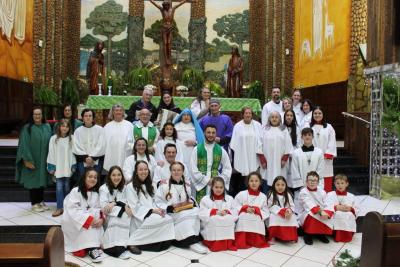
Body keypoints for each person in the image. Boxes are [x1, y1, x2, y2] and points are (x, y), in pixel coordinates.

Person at [155, 161, 209, 254]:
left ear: (182, 171)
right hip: (171, 213)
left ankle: (195, 237)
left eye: (179, 170)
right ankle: (190, 242)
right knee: (186, 215)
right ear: (170, 171)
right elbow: (158, 201)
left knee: (196, 210)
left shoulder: (186, 184)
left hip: (183, 210)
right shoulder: (164, 185)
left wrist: (192, 203)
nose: (176, 172)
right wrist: (168, 208)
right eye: (174, 170)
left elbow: (190, 197)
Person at [126, 161, 175, 252]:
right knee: (157, 219)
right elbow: (134, 207)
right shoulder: (130, 186)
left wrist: (160, 209)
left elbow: (155, 201)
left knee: (168, 218)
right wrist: (152, 211)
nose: (143, 172)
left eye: (145, 169)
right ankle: (134, 242)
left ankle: (161, 241)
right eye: (141, 169)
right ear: (136, 171)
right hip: (140, 215)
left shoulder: (151, 185)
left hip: (153, 211)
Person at [62, 167, 105, 263]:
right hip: (74, 221)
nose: (93, 179)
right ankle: (92, 249)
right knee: (88, 226)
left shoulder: (95, 194)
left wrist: (101, 219)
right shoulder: (76, 191)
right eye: (90, 176)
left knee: (94, 224)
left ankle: (92, 247)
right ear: (84, 178)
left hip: (91, 219)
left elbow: (99, 208)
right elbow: (72, 209)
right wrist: (88, 219)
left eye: (95, 177)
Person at [15, 107, 52, 212]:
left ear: (42, 115)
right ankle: (34, 203)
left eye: (39, 114)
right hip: (32, 159)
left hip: (44, 159)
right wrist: (27, 160)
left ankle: (40, 201)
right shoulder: (27, 128)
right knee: (33, 181)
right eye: (35, 114)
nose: (37, 116)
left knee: (42, 180)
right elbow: (24, 145)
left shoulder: (47, 127)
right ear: (32, 116)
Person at [190, 124, 232, 203]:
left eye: (213, 133)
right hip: (201, 182)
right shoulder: (197, 149)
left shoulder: (221, 150)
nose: (211, 135)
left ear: (216, 134)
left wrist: (219, 180)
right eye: (208, 132)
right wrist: (206, 180)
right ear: (204, 133)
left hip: (216, 183)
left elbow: (228, 168)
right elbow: (193, 168)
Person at [99, 166, 132, 259]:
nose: (116, 177)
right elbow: (104, 208)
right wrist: (121, 205)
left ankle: (121, 247)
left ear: (122, 176)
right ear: (109, 176)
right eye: (113, 175)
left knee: (124, 215)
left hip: (122, 215)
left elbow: (128, 203)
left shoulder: (125, 188)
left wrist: (115, 203)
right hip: (108, 217)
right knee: (117, 217)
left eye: (119, 175)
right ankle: (112, 247)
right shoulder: (104, 188)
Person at [229, 107, 263, 195]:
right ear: (243, 114)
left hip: (253, 155)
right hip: (242, 154)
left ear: (252, 115)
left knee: (254, 175)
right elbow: (234, 143)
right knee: (242, 180)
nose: (248, 115)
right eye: (246, 113)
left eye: (250, 113)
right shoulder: (237, 126)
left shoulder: (258, 125)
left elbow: (261, 140)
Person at [47, 119, 76, 217]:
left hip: (67, 166)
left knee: (67, 187)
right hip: (58, 167)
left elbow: (73, 153)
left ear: (69, 128)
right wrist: (52, 166)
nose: (64, 128)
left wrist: (73, 165)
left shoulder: (72, 138)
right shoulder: (54, 138)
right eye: (62, 126)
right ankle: (59, 207)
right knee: (59, 188)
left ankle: (67, 207)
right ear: (59, 127)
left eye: (66, 126)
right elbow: (51, 153)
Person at [199, 177, 237, 252]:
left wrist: (227, 211)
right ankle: (214, 243)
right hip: (211, 222)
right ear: (212, 187)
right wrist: (214, 212)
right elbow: (201, 213)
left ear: (224, 188)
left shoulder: (230, 198)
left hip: (225, 218)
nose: (219, 189)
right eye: (216, 187)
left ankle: (227, 243)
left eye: (221, 187)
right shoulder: (205, 199)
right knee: (214, 219)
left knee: (228, 218)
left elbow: (235, 211)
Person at [233, 172, 269, 249]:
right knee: (244, 215)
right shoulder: (241, 194)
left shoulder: (263, 196)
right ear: (248, 182)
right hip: (243, 216)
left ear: (260, 182)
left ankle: (256, 241)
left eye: (256, 181)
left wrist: (257, 210)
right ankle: (242, 241)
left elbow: (266, 212)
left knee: (256, 217)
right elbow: (234, 206)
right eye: (251, 181)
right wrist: (244, 208)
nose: (254, 183)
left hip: (257, 216)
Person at [260, 112, 292, 193]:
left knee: (279, 179)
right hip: (267, 162)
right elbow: (259, 144)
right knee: (266, 180)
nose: (274, 119)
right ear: (269, 119)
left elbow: (288, 145)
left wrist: (284, 159)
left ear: (280, 119)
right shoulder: (264, 129)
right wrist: (262, 160)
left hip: (280, 162)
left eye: (276, 117)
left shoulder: (284, 129)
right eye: (272, 117)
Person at [148, 0, 188, 66]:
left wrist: (185, 1)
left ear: (169, 5)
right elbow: (155, 4)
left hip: (170, 29)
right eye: (164, 5)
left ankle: (169, 58)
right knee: (165, 43)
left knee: (169, 44)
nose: (166, 6)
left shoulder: (173, 9)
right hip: (164, 29)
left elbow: (180, 3)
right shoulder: (162, 10)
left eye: (167, 5)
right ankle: (166, 59)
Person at [298, 171, 333, 245]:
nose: (312, 182)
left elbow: (327, 202)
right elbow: (309, 204)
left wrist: (328, 212)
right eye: (310, 180)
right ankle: (308, 234)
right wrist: (321, 211)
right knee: (312, 214)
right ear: (306, 182)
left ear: (318, 182)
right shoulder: (303, 192)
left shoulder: (322, 191)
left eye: (314, 181)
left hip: (320, 210)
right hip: (306, 211)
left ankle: (320, 234)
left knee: (328, 214)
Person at [310, 106, 337, 192]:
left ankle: (326, 201)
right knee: (312, 179)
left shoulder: (329, 127)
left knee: (326, 180)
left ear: (323, 114)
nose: (317, 115)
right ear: (312, 115)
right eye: (315, 113)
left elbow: (332, 141)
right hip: (312, 158)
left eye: (319, 113)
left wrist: (327, 154)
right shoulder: (308, 127)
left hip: (326, 159)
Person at [73, 109, 106, 178]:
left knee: (95, 180)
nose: (88, 117)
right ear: (82, 118)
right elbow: (76, 146)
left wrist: (92, 157)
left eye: (90, 116)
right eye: (86, 116)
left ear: (93, 118)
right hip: (82, 161)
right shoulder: (78, 131)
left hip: (97, 160)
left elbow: (102, 145)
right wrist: (85, 158)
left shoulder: (100, 130)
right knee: (83, 179)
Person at [326, 174, 358, 242]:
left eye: (342, 183)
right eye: (338, 183)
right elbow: (327, 206)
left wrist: (351, 209)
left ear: (347, 184)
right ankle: (336, 235)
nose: (340, 185)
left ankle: (348, 235)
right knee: (338, 214)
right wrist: (336, 207)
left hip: (348, 213)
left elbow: (357, 208)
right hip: (335, 213)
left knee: (349, 214)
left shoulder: (351, 196)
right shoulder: (330, 194)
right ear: (334, 184)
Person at [103, 104, 134, 172]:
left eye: (120, 110)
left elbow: (133, 141)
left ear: (123, 112)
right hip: (111, 154)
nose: (118, 112)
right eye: (116, 110)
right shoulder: (107, 127)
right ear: (112, 112)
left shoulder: (129, 125)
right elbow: (103, 143)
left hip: (125, 154)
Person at [267, 176, 298, 243]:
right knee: (273, 217)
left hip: (287, 212)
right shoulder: (271, 194)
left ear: (285, 185)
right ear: (274, 185)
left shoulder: (288, 194)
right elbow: (270, 206)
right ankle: (273, 236)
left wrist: (289, 212)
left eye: (282, 185)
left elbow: (292, 206)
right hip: (275, 213)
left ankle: (290, 236)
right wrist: (281, 211)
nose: (280, 187)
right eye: (278, 185)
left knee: (292, 217)